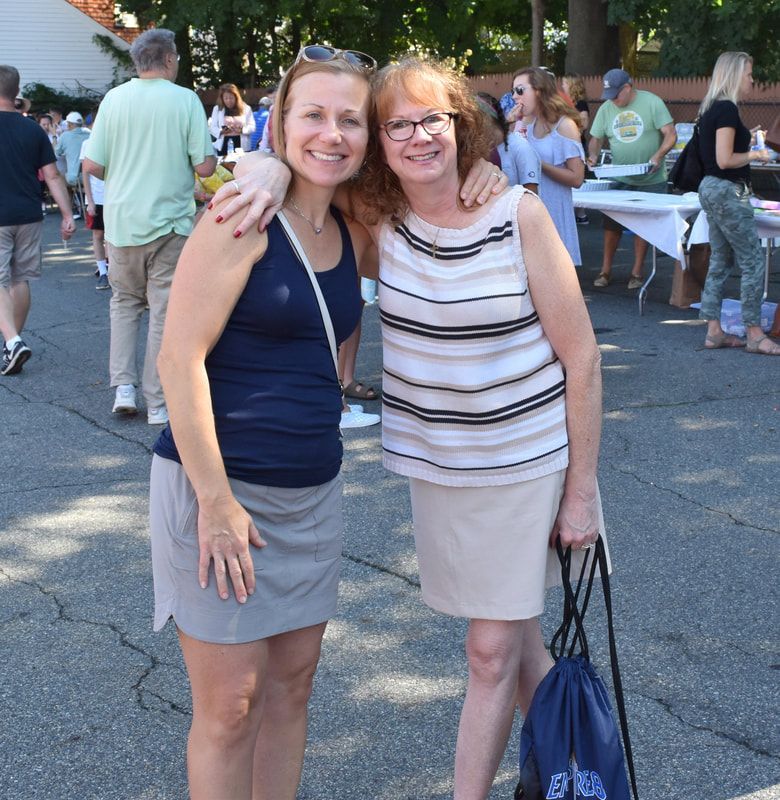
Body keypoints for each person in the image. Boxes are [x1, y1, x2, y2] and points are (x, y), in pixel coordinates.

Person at [216, 57, 603, 800]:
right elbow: (310, 168)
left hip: (525, 465)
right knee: (517, 640)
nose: (419, 136)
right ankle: (572, 776)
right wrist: (264, 165)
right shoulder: (380, 224)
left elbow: (581, 357)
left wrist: (580, 489)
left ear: (460, 125)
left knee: (489, 651)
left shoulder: (515, 211)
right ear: (381, 145)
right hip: (441, 472)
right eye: (399, 125)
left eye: (435, 119)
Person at [150, 45, 380, 800]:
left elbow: (446, 192)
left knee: (292, 691)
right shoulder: (239, 215)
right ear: (279, 121)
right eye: (312, 114)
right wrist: (214, 505)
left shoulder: (351, 228)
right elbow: (178, 357)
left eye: (351, 119)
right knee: (229, 708)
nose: (332, 133)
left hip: (313, 490)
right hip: (225, 489)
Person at [83, 28, 216, 424]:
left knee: (124, 304)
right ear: (171, 60)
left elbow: (94, 164)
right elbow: (205, 167)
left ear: (137, 62)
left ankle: (122, 387)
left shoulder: (114, 99)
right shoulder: (185, 100)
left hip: (122, 221)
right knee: (163, 310)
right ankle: (157, 401)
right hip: (171, 222)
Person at [697, 52, 779, 356]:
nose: (752, 80)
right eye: (748, 74)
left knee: (720, 261)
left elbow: (720, 153)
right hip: (728, 191)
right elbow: (724, 159)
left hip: (712, 189)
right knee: (752, 261)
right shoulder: (727, 110)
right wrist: (756, 154)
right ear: (734, 76)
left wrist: (749, 138)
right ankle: (755, 333)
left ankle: (713, 331)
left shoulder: (712, 108)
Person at [0, 65, 75, 374]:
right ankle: (11, 345)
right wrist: (68, 214)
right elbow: (52, 175)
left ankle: (13, 341)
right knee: (21, 278)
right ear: (16, 93)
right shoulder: (33, 129)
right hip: (29, 215)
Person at [587, 68, 677, 289]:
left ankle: (637, 272)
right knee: (611, 225)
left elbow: (670, 134)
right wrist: (592, 155)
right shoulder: (607, 108)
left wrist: (657, 156)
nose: (613, 101)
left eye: (616, 95)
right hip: (619, 177)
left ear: (628, 88)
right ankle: (605, 270)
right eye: (609, 96)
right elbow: (595, 138)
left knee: (643, 227)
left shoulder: (652, 102)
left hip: (651, 179)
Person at [512, 67, 585, 265]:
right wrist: (510, 124)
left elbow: (577, 178)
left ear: (539, 90)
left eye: (519, 90)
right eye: (513, 92)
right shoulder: (523, 122)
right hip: (526, 213)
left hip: (553, 213)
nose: (514, 97)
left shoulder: (564, 125)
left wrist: (538, 163)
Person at [477, 92, 539, 192]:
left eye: (478, 120)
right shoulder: (481, 149)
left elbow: (532, 195)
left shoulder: (521, 148)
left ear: (490, 119)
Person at [80, 136, 109, 290]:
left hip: (115, 196)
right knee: (98, 235)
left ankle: (111, 269)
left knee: (112, 236)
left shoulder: (117, 138)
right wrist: (89, 200)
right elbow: (85, 171)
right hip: (97, 197)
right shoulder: (88, 143)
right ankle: (103, 272)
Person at [562, 74, 591, 225]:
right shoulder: (564, 102)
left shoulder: (580, 104)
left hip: (576, 143)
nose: (562, 86)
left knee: (577, 175)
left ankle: (581, 212)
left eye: (565, 83)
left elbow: (584, 123)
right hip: (567, 142)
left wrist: (571, 129)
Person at [209, 83, 255, 155]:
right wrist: (221, 131)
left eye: (231, 98)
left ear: (236, 97)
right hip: (223, 145)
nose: (229, 101)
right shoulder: (217, 109)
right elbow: (212, 127)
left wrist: (242, 130)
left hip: (242, 145)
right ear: (222, 98)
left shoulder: (246, 108)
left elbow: (252, 127)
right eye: (226, 98)